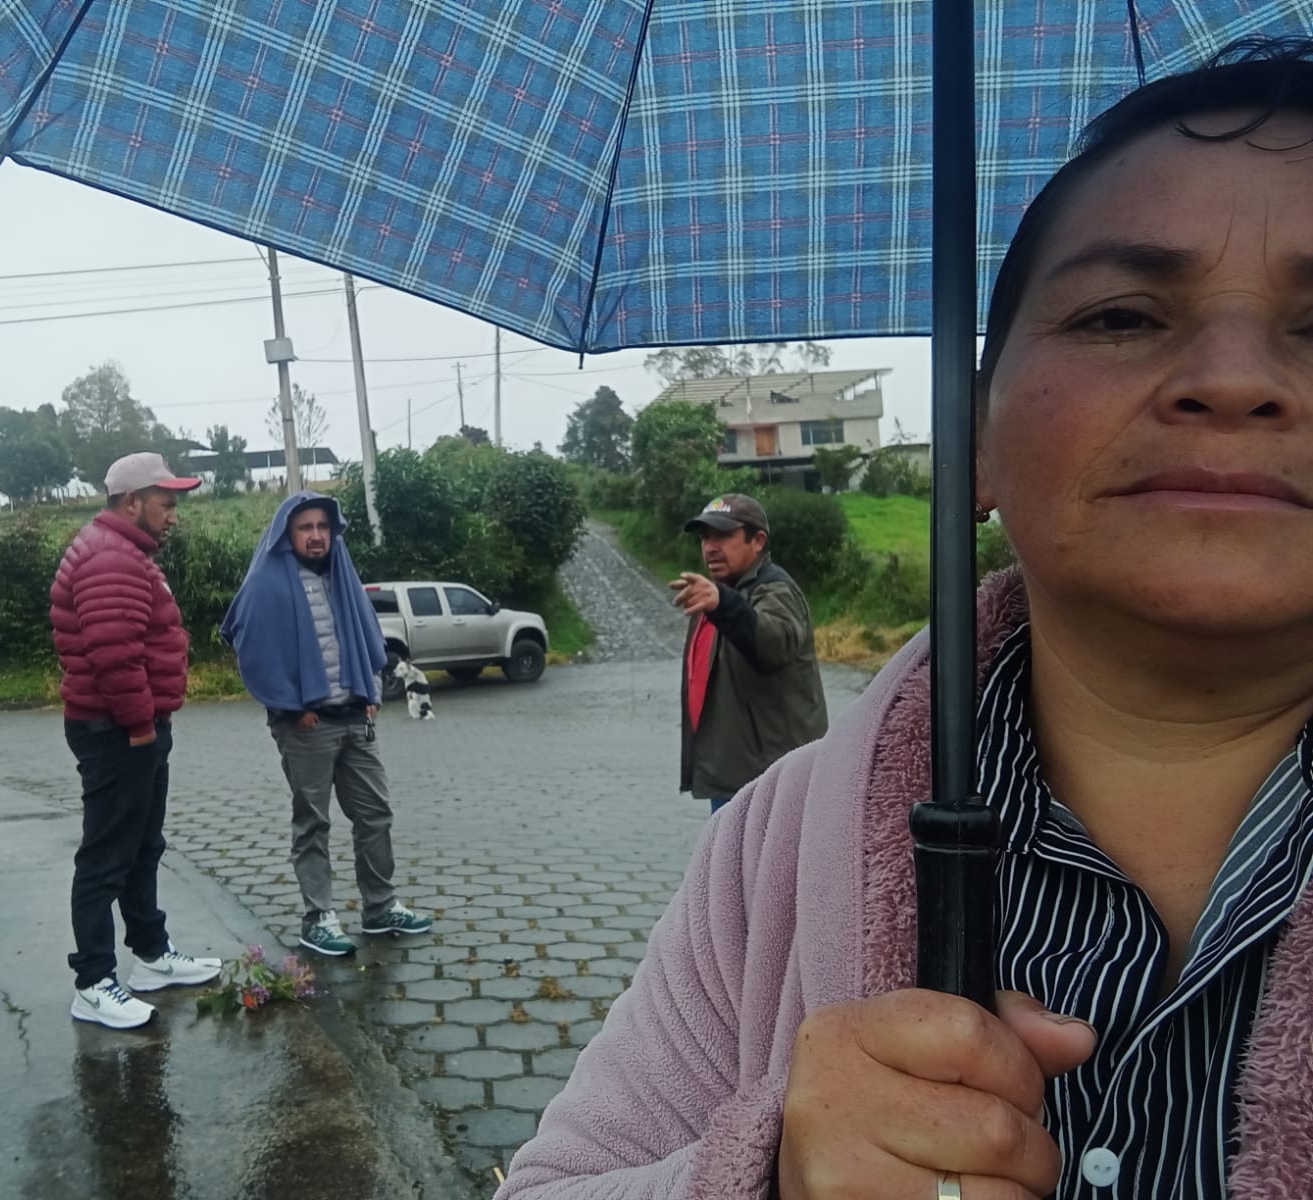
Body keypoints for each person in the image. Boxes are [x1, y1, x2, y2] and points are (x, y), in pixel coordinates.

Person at [498, 39, 1313, 1200]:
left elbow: (782, 648)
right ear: (974, 438)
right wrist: (768, 1176)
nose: (1232, 379)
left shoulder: (770, 595)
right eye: (1123, 316)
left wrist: (728, 610)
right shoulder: (772, 851)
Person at [51, 452, 222, 1030]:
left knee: (143, 845)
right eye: (166, 504)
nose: (173, 515)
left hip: (130, 727)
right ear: (132, 502)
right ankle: (93, 982)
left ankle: (151, 955)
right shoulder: (110, 558)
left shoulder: (124, 551)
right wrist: (142, 726)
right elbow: (114, 655)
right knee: (105, 857)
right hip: (118, 731)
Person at [220, 491, 432, 956]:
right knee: (313, 822)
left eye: (323, 527)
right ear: (287, 533)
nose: (316, 536)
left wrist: (370, 692)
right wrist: (291, 707)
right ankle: (317, 918)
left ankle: (380, 906)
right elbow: (250, 645)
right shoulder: (267, 583)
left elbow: (368, 637)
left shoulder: (342, 574)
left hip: (356, 717)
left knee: (375, 814)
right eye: (305, 528)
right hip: (307, 726)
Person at [673, 493, 828, 814]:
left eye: (723, 535)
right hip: (733, 777)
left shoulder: (774, 589)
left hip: (774, 782)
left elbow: (772, 644)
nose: (710, 547)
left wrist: (723, 604)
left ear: (757, 541)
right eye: (705, 537)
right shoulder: (718, 595)